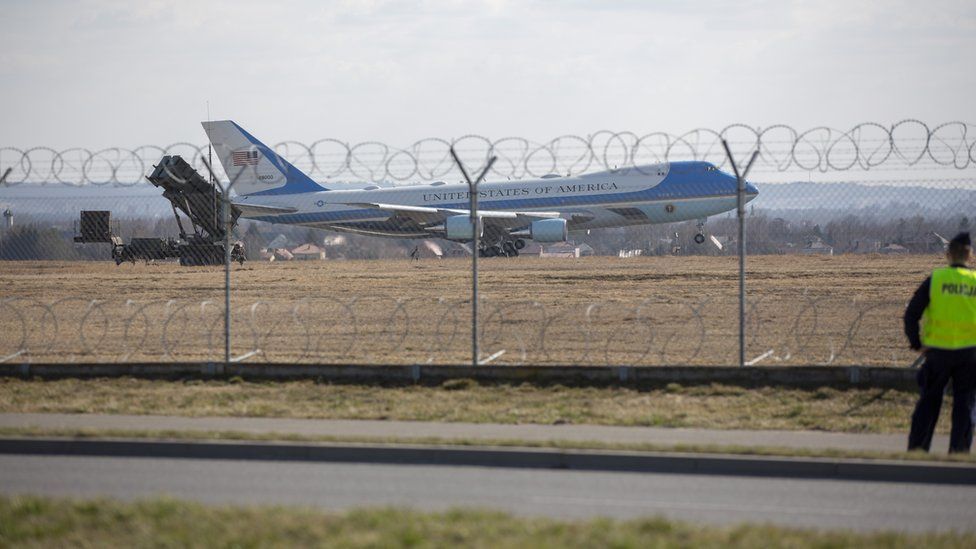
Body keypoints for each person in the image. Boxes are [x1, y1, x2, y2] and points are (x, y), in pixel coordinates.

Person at [904, 232, 976, 453]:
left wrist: (917, 343)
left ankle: (918, 449)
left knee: (929, 402)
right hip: (970, 354)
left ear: (948, 255)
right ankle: (959, 451)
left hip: (938, 352)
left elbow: (912, 313)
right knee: (965, 405)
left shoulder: (936, 279)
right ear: (970, 255)